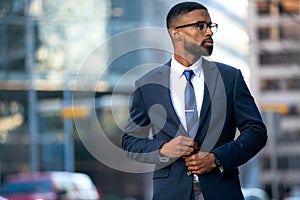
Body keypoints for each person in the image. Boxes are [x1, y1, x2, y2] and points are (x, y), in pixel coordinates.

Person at [122, 1, 267, 200]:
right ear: (176, 32)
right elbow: (131, 141)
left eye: (210, 25)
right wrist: (163, 149)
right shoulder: (147, 85)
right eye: (200, 26)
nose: (209, 32)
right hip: (171, 193)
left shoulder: (229, 78)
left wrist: (217, 159)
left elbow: (256, 132)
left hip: (222, 191)